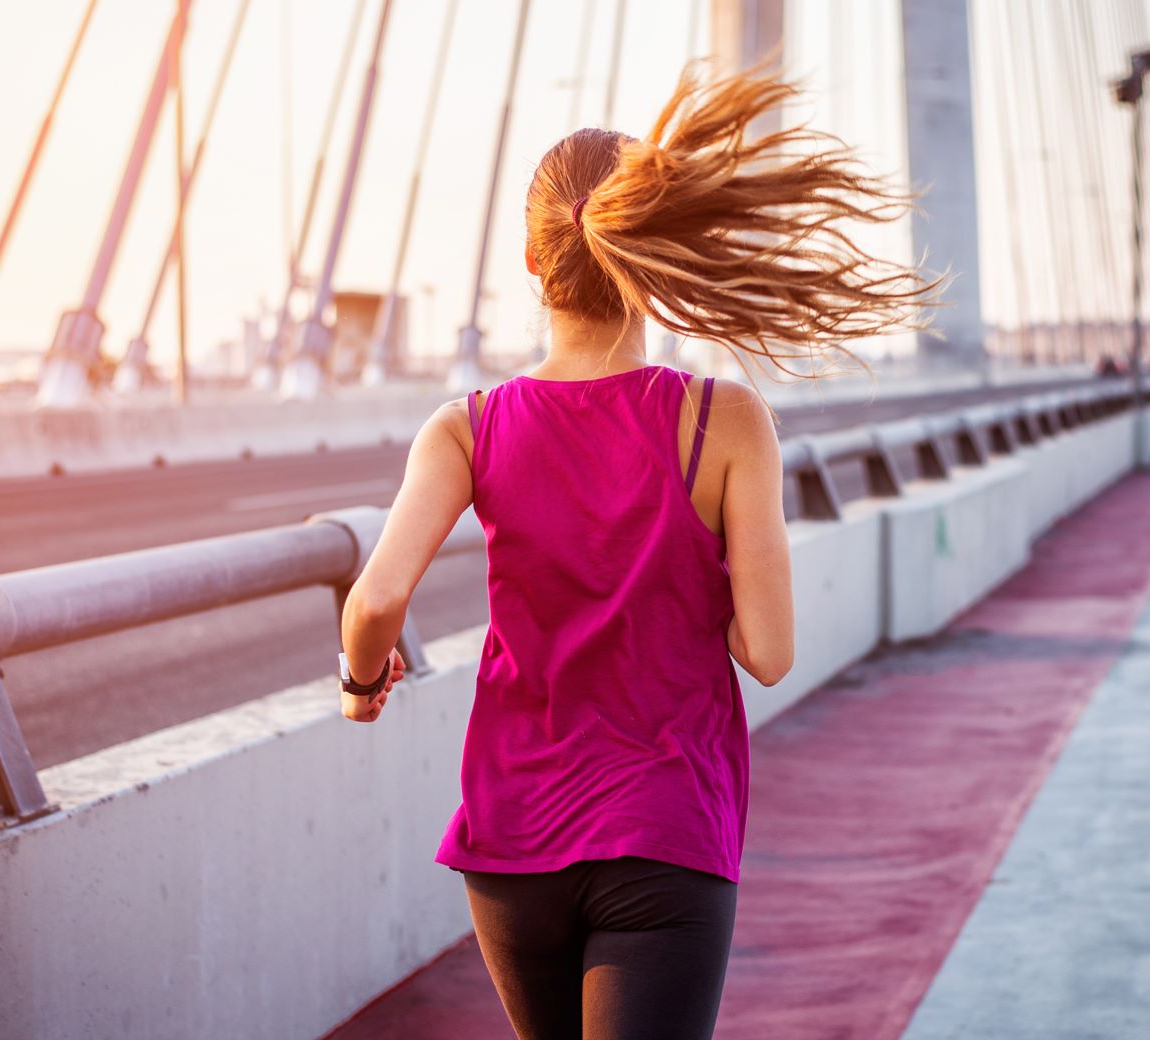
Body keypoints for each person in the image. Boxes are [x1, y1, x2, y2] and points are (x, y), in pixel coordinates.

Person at [335, 60, 938, 1040]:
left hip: (512, 837)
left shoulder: (468, 427)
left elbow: (371, 604)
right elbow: (770, 651)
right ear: (656, 256)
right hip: (664, 831)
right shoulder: (725, 421)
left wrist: (362, 684)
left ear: (533, 267)